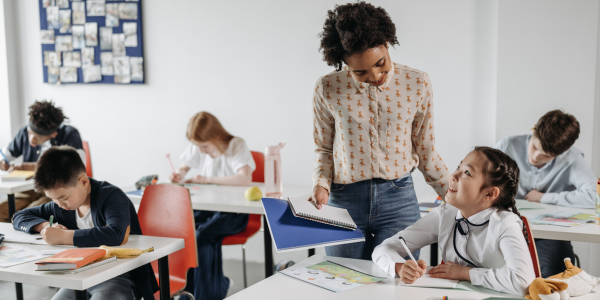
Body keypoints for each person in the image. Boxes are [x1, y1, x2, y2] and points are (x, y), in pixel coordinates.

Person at [309, 2, 449, 260]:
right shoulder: (327, 88)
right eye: (360, 71)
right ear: (343, 64)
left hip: (399, 198)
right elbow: (324, 148)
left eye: (380, 63)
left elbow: (425, 149)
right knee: (347, 283)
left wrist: (454, 194)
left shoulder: (417, 83)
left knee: (398, 286)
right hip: (343, 201)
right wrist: (321, 185)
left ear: (387, 43)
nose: (375, 76)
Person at [372, 147, 535, 296]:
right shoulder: (445, 214)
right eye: (459, 167)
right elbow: (384, 248)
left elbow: (522, 282)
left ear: (489, 194)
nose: (453, 176)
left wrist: (465, 273)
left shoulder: (504, 224)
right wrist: (399, 267)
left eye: (467, 173)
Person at [12, 146, 158, 300]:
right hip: (82, 275)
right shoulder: (61, 206)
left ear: (83, 182)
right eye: (53, 199)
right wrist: (45, 226)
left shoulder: (111, 196)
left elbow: (117, 234)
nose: (59, 204)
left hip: (120, 275)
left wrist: (64, 237)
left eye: (63, 198)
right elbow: (19, 216)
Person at [495, 110, 596, 277]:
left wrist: (543, 197)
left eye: (546, 156)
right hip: (504, 229)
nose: (535, 157)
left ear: (564, 151)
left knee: (554, 270)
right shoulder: (507, 146)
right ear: (534, 130)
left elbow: (594, 196)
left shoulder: (572, 159)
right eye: (534, 147)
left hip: (548, 236)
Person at [171, 111, 255, 300]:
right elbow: (183, 168)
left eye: (204, 146)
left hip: (235, 213)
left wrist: (207, 179)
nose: (200, 151)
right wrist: (178, 174)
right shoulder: (199, 146)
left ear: (216, 136)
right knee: (187, 232)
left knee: (201, 235)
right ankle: (199, 291)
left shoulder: (236, 145)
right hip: (208, 208)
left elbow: (245, 178)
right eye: (197, 146)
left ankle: (202, 293)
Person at [0, 100, 85, 222]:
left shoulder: (69, 134)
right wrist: (3, 160)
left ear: (53, 134)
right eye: (30, 133)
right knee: (2, 210)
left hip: (56, 191)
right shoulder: (24, 132)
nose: (31, 140)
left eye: (38, 137)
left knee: (26, 215)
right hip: (30, 188)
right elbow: (5, 153)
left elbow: (78, 166)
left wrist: (26, 166)